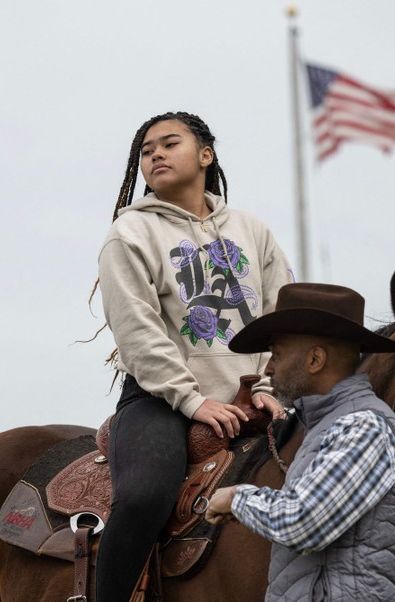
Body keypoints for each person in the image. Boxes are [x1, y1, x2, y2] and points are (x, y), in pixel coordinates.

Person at [95, 111, 294, 600]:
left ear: (206, 156)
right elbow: (136, 329)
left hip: (257, 395)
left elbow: (282, 316)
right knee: (142, 500)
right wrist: (192, 401)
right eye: (146, 150)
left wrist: (270, 386)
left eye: (169, 143)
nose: (155, 154)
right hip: (162, 399)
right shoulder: (130, 233)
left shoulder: (253, 230)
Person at [206, 283, 395, 601]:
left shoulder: (362, 426)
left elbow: (305, 521)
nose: (268, 368)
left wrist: (237, 498)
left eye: (276, 354)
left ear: (315, 359)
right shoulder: (332, 426)